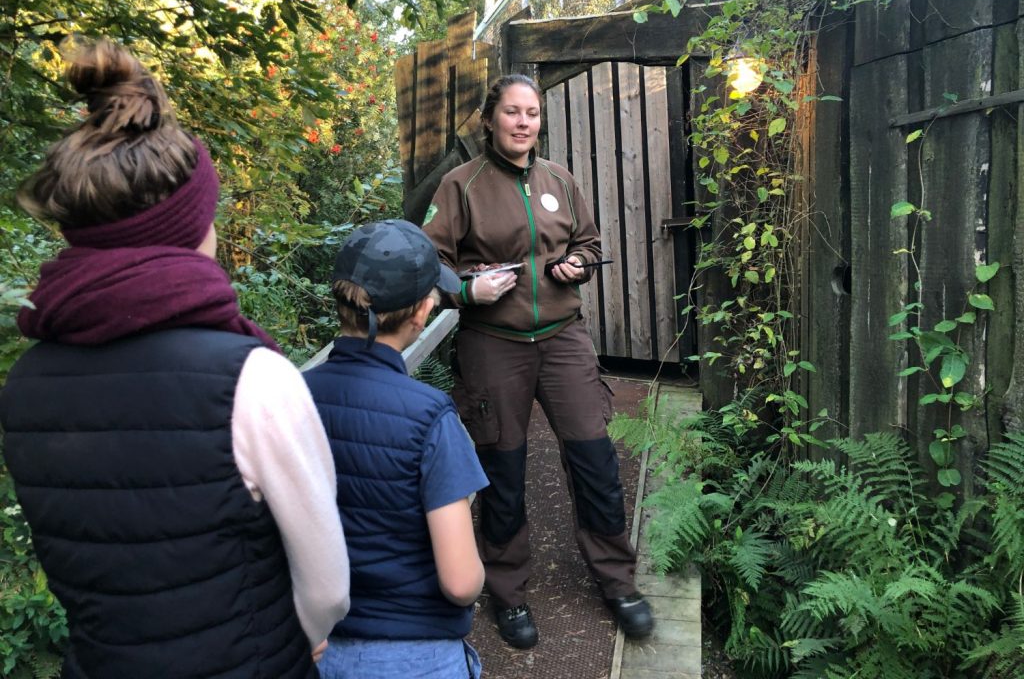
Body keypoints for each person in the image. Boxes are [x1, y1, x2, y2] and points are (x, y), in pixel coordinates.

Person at [0, 38, 350, 678]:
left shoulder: (25, 381)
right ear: (186, 226)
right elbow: (327, 587)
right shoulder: (251, 379)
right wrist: (299, 637)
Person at [421, 74, 654, 649]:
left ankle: (618, 582)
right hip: (492, 345)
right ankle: (509, 592)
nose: (523, 122)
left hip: (563, 338)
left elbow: (591, 243)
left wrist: (577, 264)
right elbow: (429, 262)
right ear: (491, 119)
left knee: (596, 461)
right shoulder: (460, 185)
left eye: (532, 113)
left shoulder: (559, 180)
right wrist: (465, 293)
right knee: (502, 471)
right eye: (512, 113)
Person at [303, 218, 489, 678]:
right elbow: (462, 582)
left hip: (315, 647)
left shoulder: (291, 395)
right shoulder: (429, 416)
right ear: (422, 312)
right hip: (414, 655)